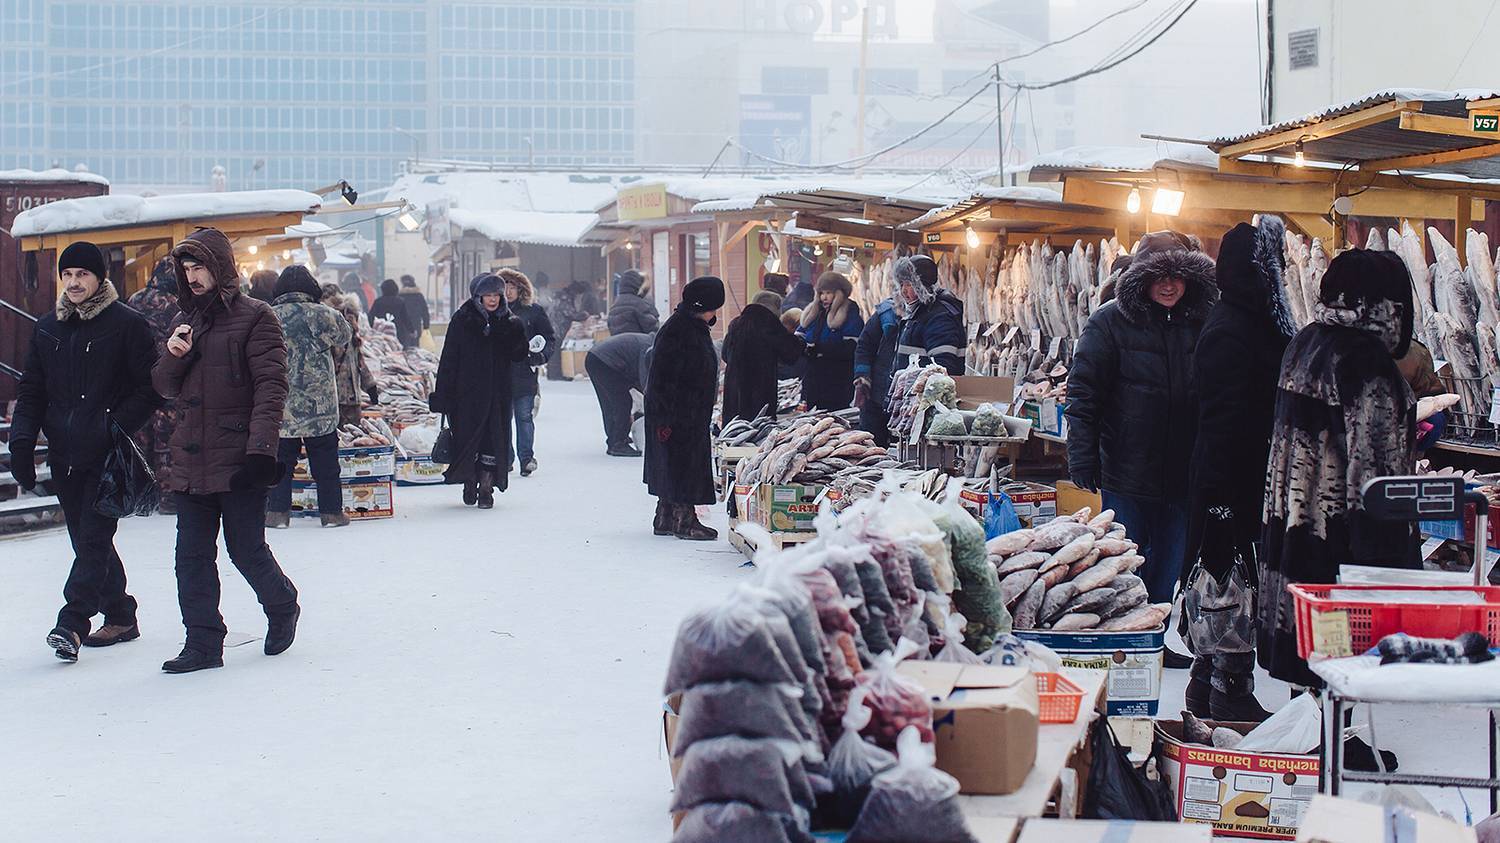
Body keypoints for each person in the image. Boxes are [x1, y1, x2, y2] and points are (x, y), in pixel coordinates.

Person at [1259, 249, 1420, 689]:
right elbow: (1375, 476)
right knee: (1343, 646)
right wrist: (1387, 563)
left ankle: (1312, 725)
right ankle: (1339, 738)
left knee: (1308, 639)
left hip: (1295, 522)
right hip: (1341, 542)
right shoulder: (1366, 364)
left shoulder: (1305, 341)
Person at [152, 227, 300, 674]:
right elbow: (162, 386)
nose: (193, 276)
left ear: (221, 267)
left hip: (237, 460)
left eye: (200, 267)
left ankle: (281, 604)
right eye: (187, 269)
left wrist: (260, 453)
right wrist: (174, 355)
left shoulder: (257, 317)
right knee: (191, 558)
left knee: (245, 549)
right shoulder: (186, 321)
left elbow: (271, 388)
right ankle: (202, 642)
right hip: (192, 460)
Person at [9, 241, 162, 661]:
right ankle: (122, 613)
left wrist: (112, 426)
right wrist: (21, 441)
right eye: (68, 275)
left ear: (100, 278)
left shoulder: (126, 323)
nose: (74, 282)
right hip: (64, 455)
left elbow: (149, 388)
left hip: (106, 456)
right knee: (87, 542)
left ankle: (71, 623)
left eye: (83, 274)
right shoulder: (47, 328)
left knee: (93, 540)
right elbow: (32, 391)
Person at [1065, 231, 1217, 606]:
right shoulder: (1109, 322)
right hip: (1126, 471)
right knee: (1125, 564)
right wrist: (1082, 456)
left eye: (1177, 276)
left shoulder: (1203, 322)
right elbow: (1083, 395)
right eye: (1159, 277)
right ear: (1142, 278)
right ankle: (1126, 643)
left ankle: (1155, 637)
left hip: (1183, 474)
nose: (1169, 286)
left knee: (1169, 565)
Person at [1182, 217, 1294, 723]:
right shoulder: (1232, 328)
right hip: (1230, 478)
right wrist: (1223, 503)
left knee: (1227, 578)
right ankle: (1229, 687)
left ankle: (1208, 684)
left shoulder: (1247, 320)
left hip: (1238, 474)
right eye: (1275, 264)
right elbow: (1223, 420)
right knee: (1230, 581)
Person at [429, 273, 529, 509]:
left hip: (497, 395)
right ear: (477, 296)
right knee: (468, 440)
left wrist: (515, 332)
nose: (493, 300)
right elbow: (449, 358)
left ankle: (486, 488)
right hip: (466, 394)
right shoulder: (462, 319)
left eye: (496, 294)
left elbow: (519, 355)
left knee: (493, 441)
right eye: (487, 295)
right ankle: (469, 480)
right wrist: (443, 394)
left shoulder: (508, 321)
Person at [266, 265, 353, 529]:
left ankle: (277, 514)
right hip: (321, 405)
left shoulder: (268, 316)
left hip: (283, 404)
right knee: (325, 461)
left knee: (281, 462)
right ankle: (331, 514)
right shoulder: (324, 314)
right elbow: (345, 335)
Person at [644, 276, 724, 541]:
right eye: (714, 307)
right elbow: (665, 376)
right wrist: (668, 416)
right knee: (684, 463)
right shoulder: (683, 331)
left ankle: (665, 516)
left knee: (671, 461)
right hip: (679, 412)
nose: (715, 313)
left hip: (678, 410)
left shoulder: (684, 325)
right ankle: (685, 520)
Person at [128, 257, 183, 510]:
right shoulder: (176, 305)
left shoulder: (134, 300)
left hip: (136, 383)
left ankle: (139, 496)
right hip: (166, 384)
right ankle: (168, 497)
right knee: (167, 442)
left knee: (140, 442)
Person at [500, 268, 556, 477]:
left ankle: (526, 458)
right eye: (504, 286)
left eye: (512, 286)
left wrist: (540, 357)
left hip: (525, 372)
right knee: (503, 419)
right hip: (500, 375)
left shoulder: (533, 311)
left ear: (521, 289)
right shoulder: (495, 312)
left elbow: (549, 338)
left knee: (524, 417)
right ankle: (505, 459)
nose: (508, 291)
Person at [721, 290, 804, 424]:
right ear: (776, 309)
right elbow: (790, 353)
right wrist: (801, 340)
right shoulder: (769, 324)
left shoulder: (736, 323)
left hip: (734, 392)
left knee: (735, 432)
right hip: (759, 392)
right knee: (758, 433)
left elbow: (725, 354)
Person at [797, 271, 865, 410]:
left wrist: (823, 349)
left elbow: (853, 346)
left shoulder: (849, 312)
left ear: (839, 293)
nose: (824, 297)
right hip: (813, 377)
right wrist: (804, 349)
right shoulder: (815, 312)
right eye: (821, 293)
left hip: (837, 379)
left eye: (828, 292)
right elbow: (800, 335)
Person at [892, 254, 966, 375]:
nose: (903, 291)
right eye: (901, 284)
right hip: (910, 392)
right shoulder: (918, 314)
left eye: (909, 284)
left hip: (925, 393)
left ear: (922, 286)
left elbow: (943, 369)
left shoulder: (940, 318)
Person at [585, 331, 654, 457]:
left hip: (596, 358)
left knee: (609, 403)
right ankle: (617, 443)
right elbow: (645, 377)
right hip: (604, 362)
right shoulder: (648, 347)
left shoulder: (648, 342)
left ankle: (615, 437)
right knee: (622, 402)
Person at [322, 283, 378, 427]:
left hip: (341, 399)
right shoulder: (328, 326)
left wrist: (370, 385)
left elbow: (357, 359)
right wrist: (370, 386)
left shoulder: (343, 325)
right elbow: (356, 359)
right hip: (338, 399)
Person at [853, 293, 904, 447]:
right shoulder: (886, 314)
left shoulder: (928, 313)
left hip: (906, 400)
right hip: (876, 394)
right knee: (871, 446)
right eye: (903, 285)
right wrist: (862, 377)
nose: (906, 290)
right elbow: (864, 346)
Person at [608, 268, 659, 335]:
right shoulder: (640, 305)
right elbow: (653, 329)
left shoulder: (613, 307)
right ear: (637, 284)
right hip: (639, 344)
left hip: (620, 344)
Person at [370, 278, 418, 349]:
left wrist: (371, 330)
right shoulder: (400, 302)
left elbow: (371, 317)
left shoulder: (378, 302)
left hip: (381, 334)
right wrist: (412, 331)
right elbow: (406, 318)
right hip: (398, 334)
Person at [399, 274, 431, 339]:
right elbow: (425, 311)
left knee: (404, 346)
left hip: (403, 326)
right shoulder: (419, 296)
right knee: (415, 345)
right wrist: (426, 325)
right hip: (416, 324)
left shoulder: (400, 296)